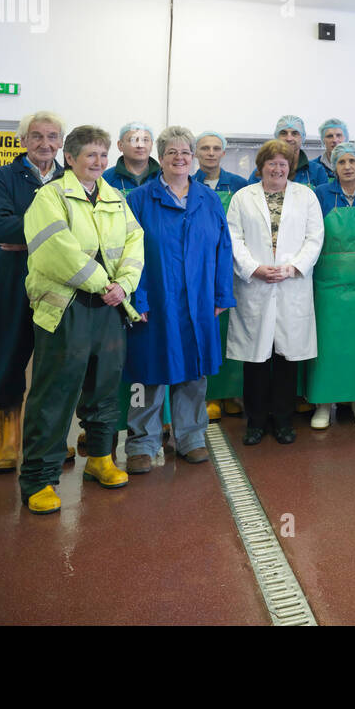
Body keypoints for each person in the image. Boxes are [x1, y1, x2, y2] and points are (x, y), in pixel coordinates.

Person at [20, 125, 145, 514]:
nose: (99, 162)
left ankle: (100, 459)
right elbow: (55, 250)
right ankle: (39, 479)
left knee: (105, 388)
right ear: (69, 159)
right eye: (90, 155)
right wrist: (104, 282)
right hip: (66, 307)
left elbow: (134, 242)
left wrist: (123, 285)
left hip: (108, 307)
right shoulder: (51, 197)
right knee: (55, 393)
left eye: (103, 155)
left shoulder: (115, 198)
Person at [124, 127, 235, 473]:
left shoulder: (207, 199)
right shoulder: (140, 200)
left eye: (185, 152)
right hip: (155, 298)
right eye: (171, 152)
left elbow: (223, 248)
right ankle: (142, 442)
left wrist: (220, 294)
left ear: (193, 157)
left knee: (193, 370)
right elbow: (128, 255)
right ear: (160, 157)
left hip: (198, 299)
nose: (180, 158)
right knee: (148, 371)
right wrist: (137, 299)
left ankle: (190, 437)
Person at [0, 111, 66, 473]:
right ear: (22, 140)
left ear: (61, 142)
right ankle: (9, 440)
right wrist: (53, 236)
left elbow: (83, 231)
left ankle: (49, 437)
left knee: (58, 363)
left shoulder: (71, 177)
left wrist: (30, 238)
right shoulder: (3, 177)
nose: (44, 143)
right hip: (13, 282)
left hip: (60, 285)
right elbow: (0, 227)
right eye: (36, 136)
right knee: (8, 359)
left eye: (52, 136)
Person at [228, 139, 324, 445]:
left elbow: (314, 238)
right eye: (272, 163)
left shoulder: (306, 196)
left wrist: (293, 267)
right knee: (255, 360)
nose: (278, 168)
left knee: (286, 358)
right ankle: (255, 422)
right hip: (255, 284)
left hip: (291, 284)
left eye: (283, 163)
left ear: (290, 168)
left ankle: (283, 421)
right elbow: (233, 238)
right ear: (261, 167)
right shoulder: (243, 197)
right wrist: (253, 267)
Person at [309, 142, 355, 429]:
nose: (348, 167)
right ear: (334, 166)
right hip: (327, 282)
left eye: (353, 161)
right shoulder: (320, 196)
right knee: (327, 344)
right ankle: (323, 403)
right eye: (342, 162)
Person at [193, 130, 248, 420]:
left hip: (234, 266)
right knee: (208, 329)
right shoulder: (188, 184)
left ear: (224, 153)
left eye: (216, 148)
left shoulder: (239, 185)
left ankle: (231, 394)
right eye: (205, 148)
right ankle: (209, 396)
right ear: (196, 153)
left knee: (233, 331)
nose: (211, 153)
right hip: (200, 267)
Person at [247, 115, 329, 188]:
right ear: (276, 136)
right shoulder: (261, 171)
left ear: (303, 137)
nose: (289, 138)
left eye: (295, 133)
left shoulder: (317, 171)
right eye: (283, 133)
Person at [103, 122, 159, 193]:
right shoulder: (105, 179)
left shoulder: (164, 177)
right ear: (120, 145)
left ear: (151, 145)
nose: (140, 145)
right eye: (133, 140)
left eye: (145, 140)